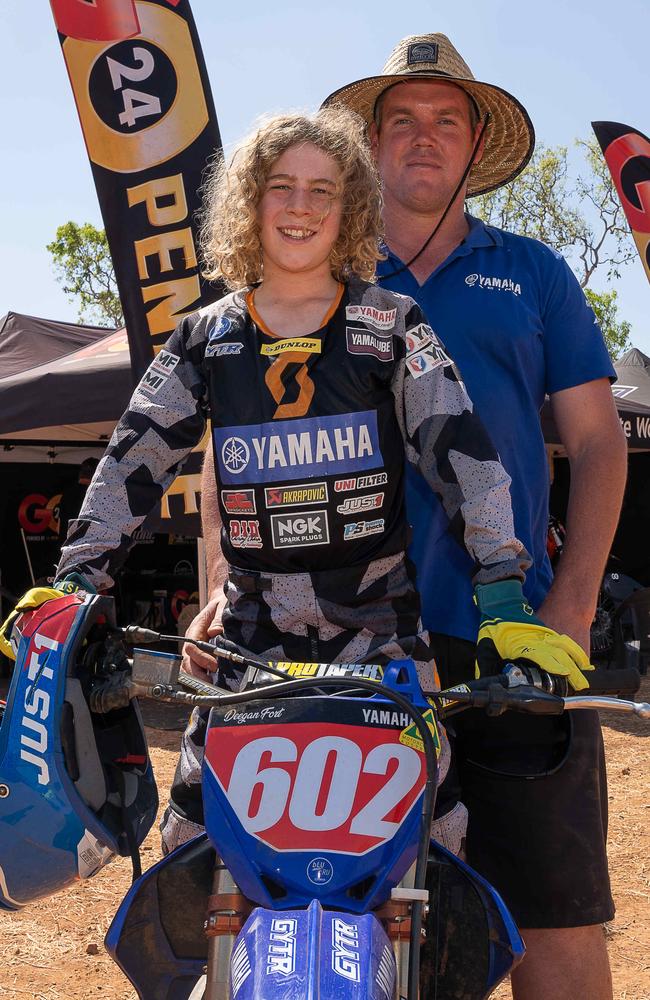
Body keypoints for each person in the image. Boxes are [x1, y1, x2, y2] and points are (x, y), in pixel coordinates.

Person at [39, 106, 597, 871]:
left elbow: (466, 458)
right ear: (249, 202)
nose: (300, 207)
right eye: (281, 187)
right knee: (193, 862)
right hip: (248, 657)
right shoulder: (204, 337)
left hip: (383, 651)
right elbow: (133, 464)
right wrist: (75, 581)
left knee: (430, 859)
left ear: (352, 208)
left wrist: (502, 587)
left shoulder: (392, 322)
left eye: (322, 190)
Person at [191, 33, 627, 1000]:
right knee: (286, 918)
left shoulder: (534, 272)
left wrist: (573, 604)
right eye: (401, 120)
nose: (423, 138)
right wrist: (219, 579)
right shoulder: (303, 270)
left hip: (504, 643)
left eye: (446, 120)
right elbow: (234, 434)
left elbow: (598, 444)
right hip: (326, 656)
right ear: (367, 142)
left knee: (552, 919)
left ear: (475, 146)